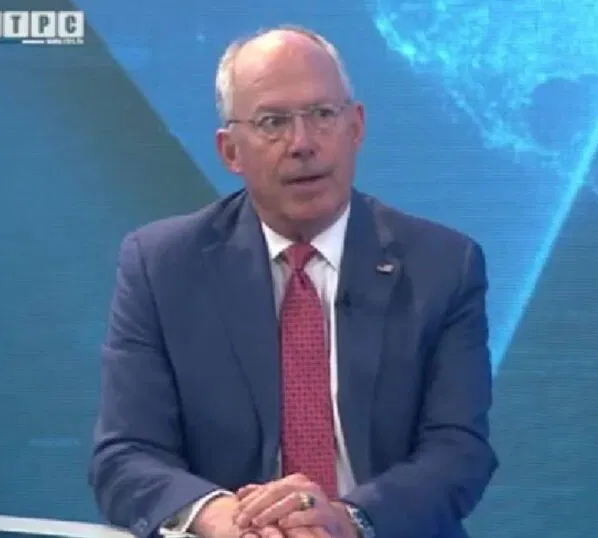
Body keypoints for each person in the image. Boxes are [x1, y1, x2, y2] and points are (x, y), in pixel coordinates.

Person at [88, 24, 498, 538]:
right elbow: (125, 454)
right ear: (230, 151)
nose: (303, 143)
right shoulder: (161, 266)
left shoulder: (442, 266)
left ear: (356, 127)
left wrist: (348, 519)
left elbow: (459, 451)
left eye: (322, 114)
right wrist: (225, 519)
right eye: (273, 122)